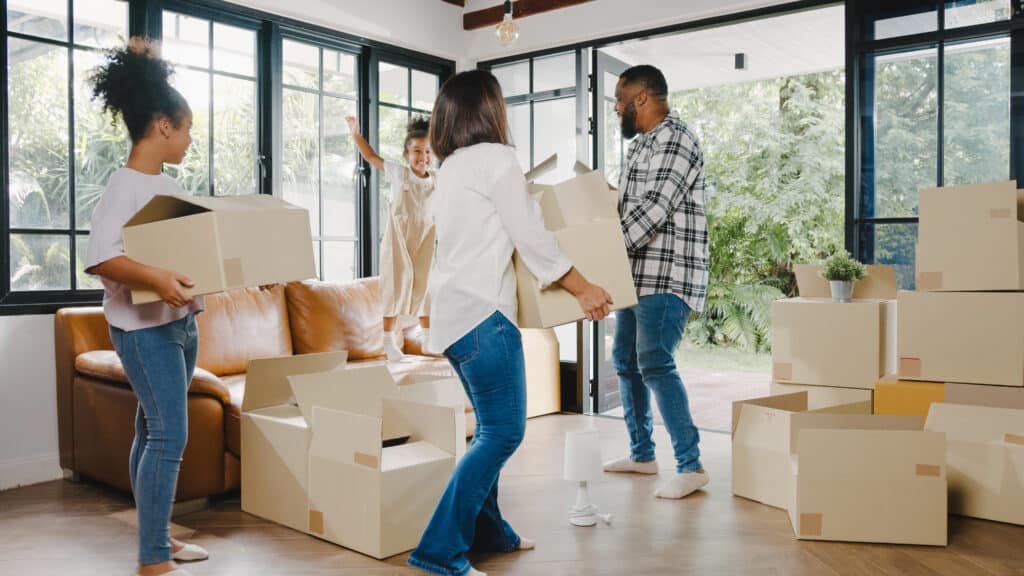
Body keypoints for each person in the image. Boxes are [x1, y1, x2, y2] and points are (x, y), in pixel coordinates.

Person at [407, 70, 613, 576]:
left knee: (489, 433)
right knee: (503, 432)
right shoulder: (496, 159)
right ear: (489, 110)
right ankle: (438, 550)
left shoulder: (450, 166)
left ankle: (490, 531)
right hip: (483, 316)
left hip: (454, 319)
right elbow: (531, 234)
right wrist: (584, 288)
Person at [85, 38, 209, 576]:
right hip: (143, 332)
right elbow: (102, 259)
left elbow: (179, 256)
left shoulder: (170, 184)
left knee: (151, 430)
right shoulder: (123, 185)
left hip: (179, 327)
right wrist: (158, 278)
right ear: (163, 125)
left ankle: (155, 535)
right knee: (168, 435)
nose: (188, 139)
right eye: (185, 129)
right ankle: (153, 557)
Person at [602, 64, 711, 500]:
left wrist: (602, 250)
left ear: (641, 99)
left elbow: (654, 210)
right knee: (624, 360)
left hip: (669, 274)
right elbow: (625, 208)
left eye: (619, 100)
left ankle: (691, 464)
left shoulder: (677, 139)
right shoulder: (643, 147)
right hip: (636, 276)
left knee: (654, 361)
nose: (616, 109)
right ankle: (643, 455)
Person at [346, 114, 435, 360]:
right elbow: (371, 157)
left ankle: (428, 338)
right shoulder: (399, 173)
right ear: (406, 155)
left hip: (424, 240)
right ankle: (387, 340)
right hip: (399, 241)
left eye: (428, 152)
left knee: (426, 286)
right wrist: (356, 133)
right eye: (417, 151)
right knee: (395, 287)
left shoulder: (436, 179)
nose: (423, 157)